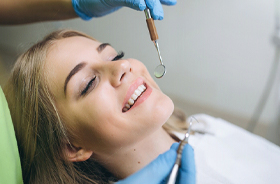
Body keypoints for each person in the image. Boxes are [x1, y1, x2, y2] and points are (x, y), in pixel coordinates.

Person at [3, 29, 195, 183]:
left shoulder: (212, 128)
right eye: (89, 83)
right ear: (71, 146)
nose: (121, 66)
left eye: (114, 56)